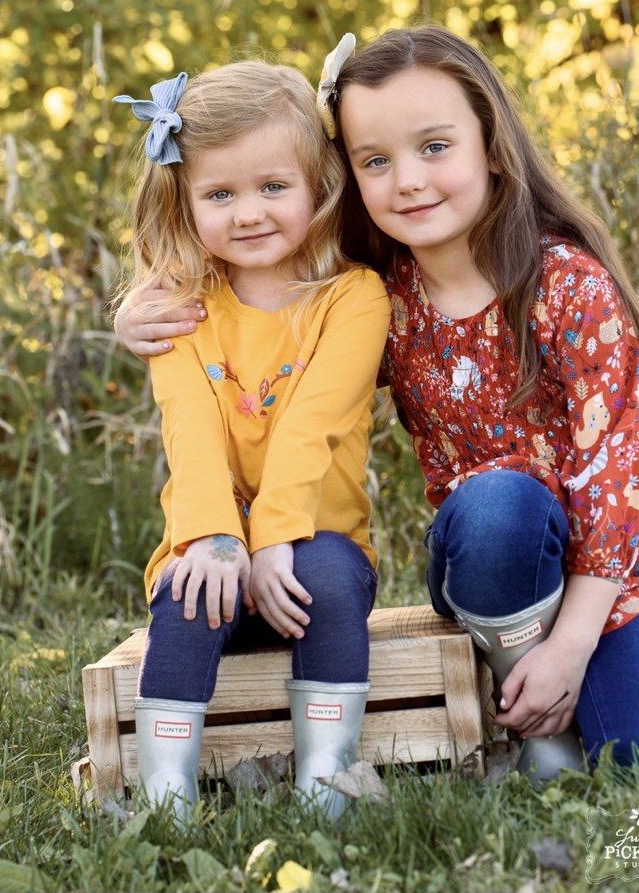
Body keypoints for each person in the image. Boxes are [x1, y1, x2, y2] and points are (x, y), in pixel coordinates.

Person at [118, 25, 639, 777]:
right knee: (502, 502)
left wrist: (571, 650)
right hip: (493, 560)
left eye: (435, 147)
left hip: (615, 578)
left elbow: (615, 482)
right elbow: (274, 366)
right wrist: (140, 317)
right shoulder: (384, 295)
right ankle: (527, 708)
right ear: (349, 177)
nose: (407, 180)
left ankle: (558, 681)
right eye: (376, 160)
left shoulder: (569, 285)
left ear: (491, 145)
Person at [111, 60, 390, 823]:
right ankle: (164, 794)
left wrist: (273, 542)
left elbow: (313, 426)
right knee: (187, 590)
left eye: (273, 187)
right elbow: (189, 431)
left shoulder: (353, 298)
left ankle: (326, 776)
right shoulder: (177, 306)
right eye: (219, 194)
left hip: (316, 542)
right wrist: (215, 538)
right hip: (220, 543)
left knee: (326, 576)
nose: (248, 213)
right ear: (186, 198)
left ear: (318, 184)